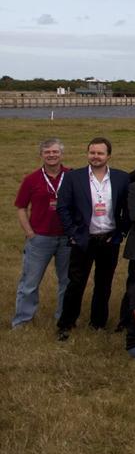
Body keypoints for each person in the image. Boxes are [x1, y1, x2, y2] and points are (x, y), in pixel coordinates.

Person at [55, 137, 131, 339]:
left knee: (104, 283)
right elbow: (63, 207)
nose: (95, 156)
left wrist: (121, 232)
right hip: (83, 239)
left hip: (109, 239)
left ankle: (98, 323)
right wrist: (72, 232)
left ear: (108, 156)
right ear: (87, 153)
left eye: (100, 153)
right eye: (92, 152)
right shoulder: (73, 177)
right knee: (76, 283)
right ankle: (66, 323)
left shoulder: (121, 178)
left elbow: (127, 209)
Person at [12, 138, 71, 329]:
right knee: (29, 282)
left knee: (67, 281)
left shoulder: (72, 176)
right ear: (41, 155)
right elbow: (21, 207)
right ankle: (22, 320)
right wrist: (30, 233)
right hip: (40, 238)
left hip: (67, 238)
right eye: (47, 152)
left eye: (55, 152)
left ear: (61, 154)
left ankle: (63, 318)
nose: (51, 155)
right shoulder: (31, 179)